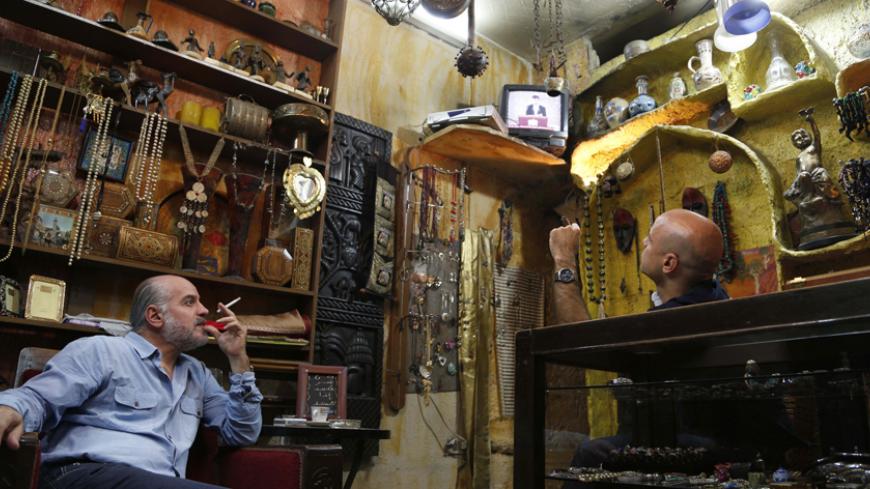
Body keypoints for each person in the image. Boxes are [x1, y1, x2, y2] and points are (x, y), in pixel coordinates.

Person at [0, 275, 262, 489]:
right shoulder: (101, 351)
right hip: (86, 475)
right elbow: (37, 398)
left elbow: (241, 432)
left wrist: (238, 359)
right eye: (190, 302)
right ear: (155, 316)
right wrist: (8, 408)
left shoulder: (198, 374)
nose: (204, 311)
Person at [549, 208, 728, 325]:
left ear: (668, 263)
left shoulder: (672, 323)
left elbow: (581, 342)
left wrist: (563, 257)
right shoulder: (717, 300)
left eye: (650, 240)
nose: (643, 242)